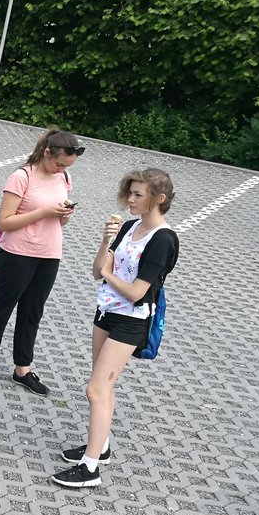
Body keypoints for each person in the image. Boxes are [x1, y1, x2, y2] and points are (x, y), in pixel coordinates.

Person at [52, 168, 178, 489]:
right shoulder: (129, 226)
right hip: (106, 310)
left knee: (95, 389)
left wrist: (109, 274)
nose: (130, 200)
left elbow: (136, 292)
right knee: (102, 387)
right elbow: (97, 271)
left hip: (131, 320)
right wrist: (106, 240)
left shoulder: (162, 239)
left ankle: (90, 468)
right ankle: (101, 446)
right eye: (130, 193)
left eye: (138, 195)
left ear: (159, 199)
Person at [0, 128, 82, 396]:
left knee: (32, 313)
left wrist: (63, 215)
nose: (61, 169)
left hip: (49, 254)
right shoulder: (21, 177)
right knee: (1, 311)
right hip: (17, 253)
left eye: (66, 166)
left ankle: (22, 369)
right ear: (47, 152)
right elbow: (4, 221)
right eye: (59, 164)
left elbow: (59, 222)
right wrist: (44, 212)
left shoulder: (63, 177)